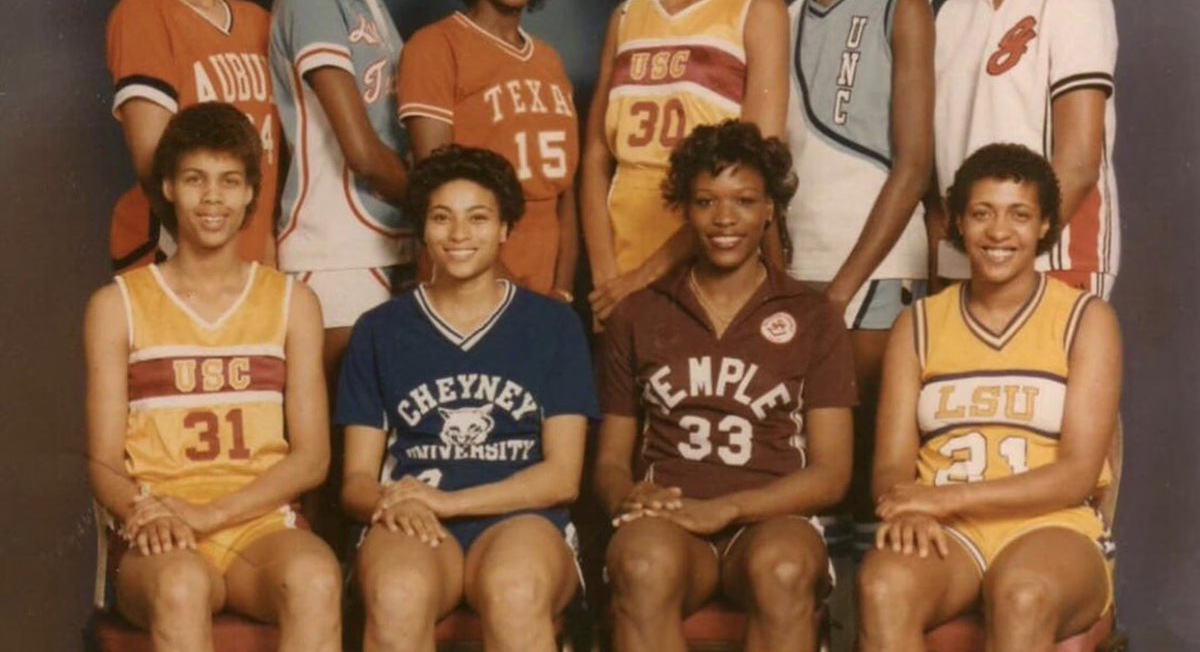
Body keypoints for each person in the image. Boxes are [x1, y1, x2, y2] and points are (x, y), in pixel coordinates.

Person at [85, 102, 340, 652]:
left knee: (316, 579)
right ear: (170, 188)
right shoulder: (118, 304)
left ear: (251, 193)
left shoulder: (292, 302)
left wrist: (214, 513)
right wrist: (145, 511)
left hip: (260, 525)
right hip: (160, 527)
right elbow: (104, 461)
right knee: (181, 585)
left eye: (230, 182)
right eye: (196, 180)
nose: (213, 198)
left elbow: (313, 457)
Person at [595, 120, 857, 652]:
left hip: (771, 517)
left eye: (743, 200)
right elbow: (608, 462)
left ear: (769, 211)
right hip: (669, 517)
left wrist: (730, 508)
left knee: (781, 570)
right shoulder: (639, 314)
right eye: (705, 201)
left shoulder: (812, 315)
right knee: (641, 565)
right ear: (685, 210)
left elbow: (832, 474)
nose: (724, 219)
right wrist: (628, 493)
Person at [857, 143, 1119, 651]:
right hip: (946, 533)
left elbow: (1077, 474)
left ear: (1044, 224)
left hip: (1052, 527)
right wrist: (905, 505)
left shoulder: (1086, 319)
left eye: (1019, 214)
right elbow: (889, 465)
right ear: (958, 221)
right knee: (883, 586)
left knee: (1021, 594)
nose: (999, 232)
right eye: (982, 213)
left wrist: (942, 498)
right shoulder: (918, 324)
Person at [336, 145, 598, 652]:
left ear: (504, 228)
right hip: (413, 519)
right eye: (441, 217)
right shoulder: (380, 330)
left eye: (478, 218)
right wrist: (393, 501)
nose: (458, 235)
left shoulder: (552, 325)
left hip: (522, 518)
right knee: (396, 592)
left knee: (515, 590)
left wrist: (452, 502)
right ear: (422, 228)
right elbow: (355, 483)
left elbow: (563, 477)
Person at [783, 0, 935, 559]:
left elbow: (913, 165)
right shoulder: (783, 15)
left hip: (873, 273)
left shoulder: (902, 2)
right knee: (815, 477)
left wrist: (844, 285)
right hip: (800, 270)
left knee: (873, 467)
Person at [581, 0, 790, 325]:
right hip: (620, 259)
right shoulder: (627, 16)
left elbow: (756, 167)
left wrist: (643, 276)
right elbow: (594, 160)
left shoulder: (757, 8)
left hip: (711, 258)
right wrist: (607, 276)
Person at [932, 0, 1119, 300]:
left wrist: (1008, 252)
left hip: (1055, 258)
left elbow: (1076, 161)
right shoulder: (953, 14)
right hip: (968, 260)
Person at [269, 0, 413, 379]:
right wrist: (439, 204)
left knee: (374, 436)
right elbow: (362, 152)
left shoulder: (367, 0)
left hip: (382, 239)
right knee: (337, 430)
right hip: (332, 248)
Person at [398, 0, 578, 298]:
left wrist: (562, 293)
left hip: (546, 284)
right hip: (469, 282)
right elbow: (435, 186)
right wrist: (506, 294)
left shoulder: (550, 61)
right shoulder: (435, 46)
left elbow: (565, 196)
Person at [108, 0, 277, 271]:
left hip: (251, 252)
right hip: (177, 253)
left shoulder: (258, 21)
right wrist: (205, 266)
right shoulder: (143, 11)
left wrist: (265, 247)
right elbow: (153, 163)